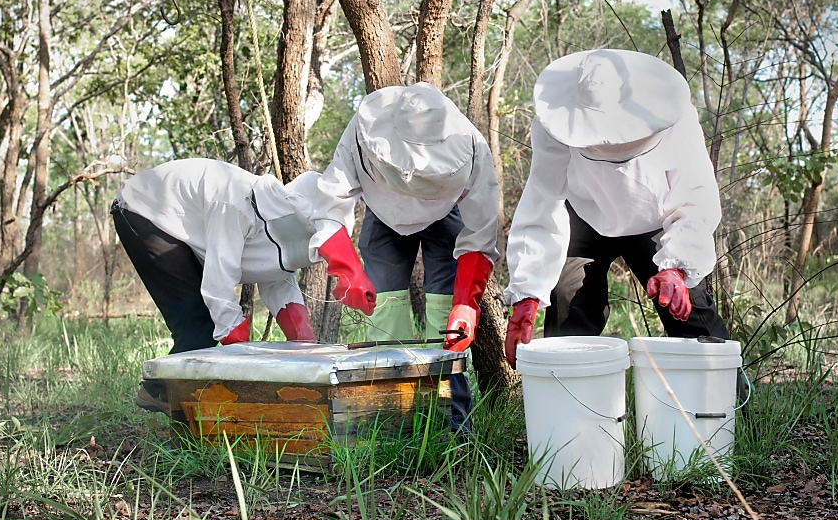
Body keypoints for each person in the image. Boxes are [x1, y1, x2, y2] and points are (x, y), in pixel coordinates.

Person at [502, 49, 731, 367]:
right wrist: (526, 294)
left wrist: (676, 268)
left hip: (658, 219)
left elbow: (694, 196)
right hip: (583, 218)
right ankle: (569, 408)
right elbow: (542, 198)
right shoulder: (552, 123)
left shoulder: (677, 119)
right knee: (567, 306)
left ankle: (723, 404)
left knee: (690, 311)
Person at [112, 158, 376, 412]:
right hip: (144, 209)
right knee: (199, 323)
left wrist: (303, 343)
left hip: (183, 224)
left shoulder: (276, 229)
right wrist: (240, 352)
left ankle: (183, 403)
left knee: (203, 324)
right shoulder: (237, 204)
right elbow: (218, 282)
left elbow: (277, 278)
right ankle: (166, 397)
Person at [316, 82, 500, 431]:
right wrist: (348, 269)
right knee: (386, 313)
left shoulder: (474, 146)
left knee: (447, 323)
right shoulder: (361, 131)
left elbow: (480, 232)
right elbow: (329, 202)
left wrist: (467, 302)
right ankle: (390, 422)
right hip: (381, 214)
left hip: (445, 214)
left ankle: (452, 427)